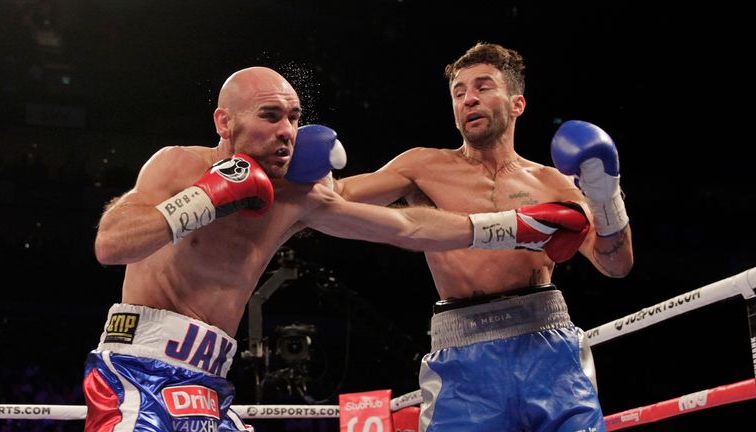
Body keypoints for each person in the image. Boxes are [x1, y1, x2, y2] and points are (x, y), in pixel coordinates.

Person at [83, 66, 591, 432]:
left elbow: (404, 226)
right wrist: (205, 199)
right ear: (224, 122)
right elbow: (111, 243)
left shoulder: (297, 198)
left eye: (293, 117)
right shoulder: (176, 166)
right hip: (138, 367)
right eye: (270, 115)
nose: (286, 130)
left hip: (211, 384)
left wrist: (512, 225)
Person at [334, 43, 634, 431]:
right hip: (463, 358)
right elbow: (337, 198)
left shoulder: (553, 183)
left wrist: (607, 196)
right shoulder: (424, 167)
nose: (468, 99)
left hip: (549, 351)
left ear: (516, 104)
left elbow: (616, 263)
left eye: (483, 87)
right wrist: (303, 167)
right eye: (458, 93)